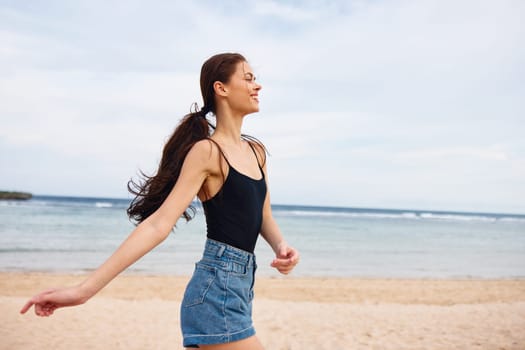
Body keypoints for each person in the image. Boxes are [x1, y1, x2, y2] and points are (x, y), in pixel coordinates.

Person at [20, 52, 300, 349]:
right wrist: (82, 291)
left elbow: (262, 213)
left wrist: (280, 245)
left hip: (241, 288)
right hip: (217, 291)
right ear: (221, 88)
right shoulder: (207, 152)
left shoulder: (256, 151)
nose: (257, 86)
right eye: (248, 78)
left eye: (255, 79)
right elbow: (159, 224)